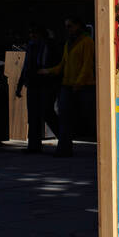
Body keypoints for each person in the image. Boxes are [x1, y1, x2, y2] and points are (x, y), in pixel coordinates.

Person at [40, 16, 95, 157]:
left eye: (70, 26)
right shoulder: (68, 43)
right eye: (66, 26)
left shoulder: (87, 42)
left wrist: (79, 82)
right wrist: (48, 71)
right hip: (68, 85)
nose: (68, 29)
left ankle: (104, 146)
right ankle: (64, 148)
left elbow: (87, 65)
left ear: (78, 26)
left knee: (90, 116)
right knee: (64, 116)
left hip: (84, 86)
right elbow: (63, 65)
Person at [15, 21, 60, 153]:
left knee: (47, 112)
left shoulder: (49, 45)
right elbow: (26, 66)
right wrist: (20, 84)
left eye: (34, 33)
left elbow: (54, 63)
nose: (32, 35)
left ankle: (64, 140)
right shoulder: (31, 46)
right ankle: (34, 146)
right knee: (34, 115)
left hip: (46, 82)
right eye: (31, 33)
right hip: (34, 83)